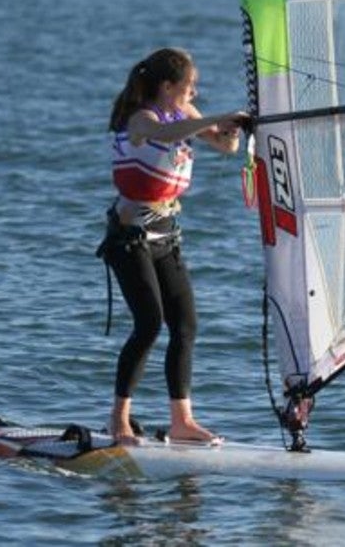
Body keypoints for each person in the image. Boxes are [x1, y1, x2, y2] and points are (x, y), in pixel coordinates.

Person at [98, 47, 244, 445]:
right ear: (167, 87)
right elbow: (165, 135)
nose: (194, 94)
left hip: (167, 235)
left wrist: (234, 127)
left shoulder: (188, 117)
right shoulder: (142, 118)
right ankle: (118, 420)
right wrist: (216, 118)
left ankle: (182, 420)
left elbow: (227, 147)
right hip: (129, 238)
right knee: (148, 324)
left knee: (185, 325)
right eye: (188, 87)